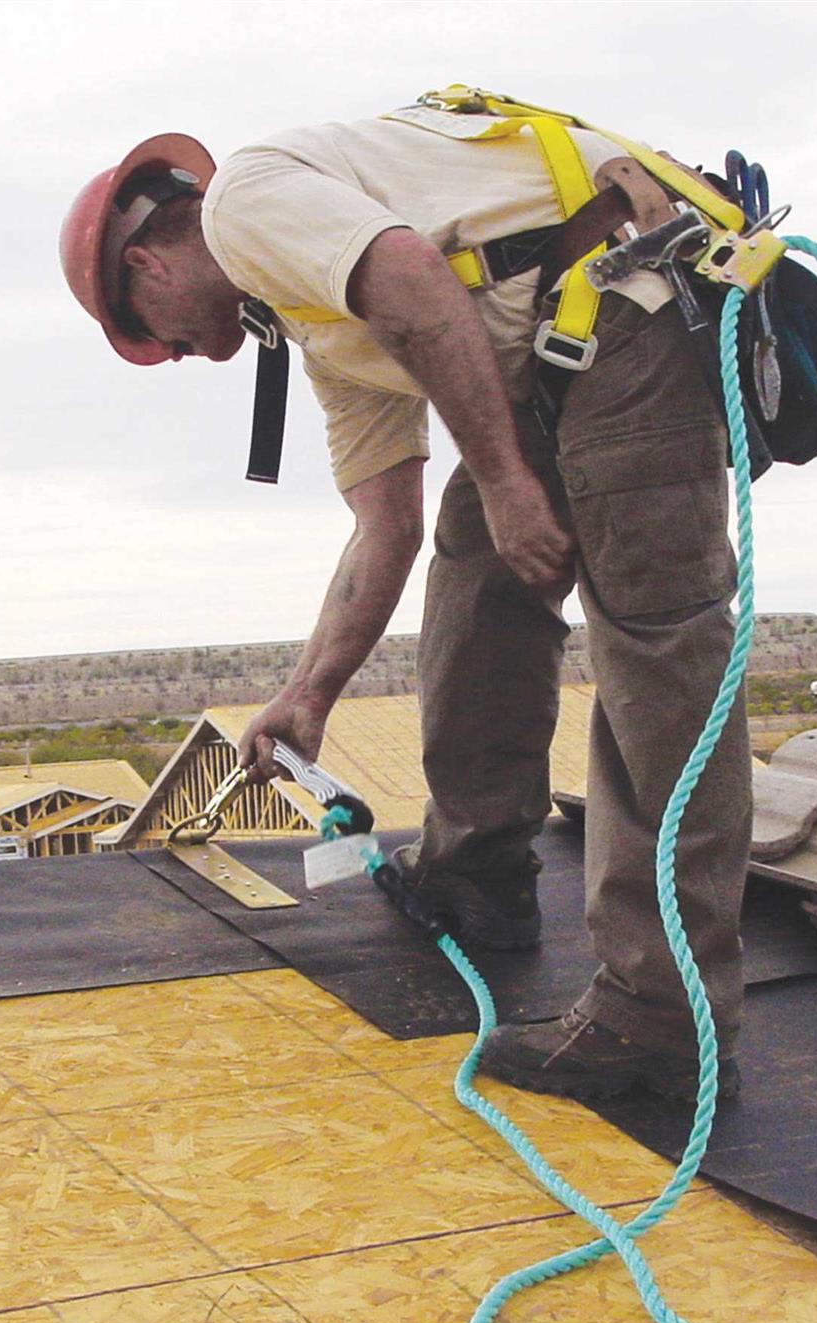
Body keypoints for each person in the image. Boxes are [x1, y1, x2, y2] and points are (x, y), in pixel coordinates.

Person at [61, 99, 751, 1103]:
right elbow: (384, 528)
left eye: (149, 337)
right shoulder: (324, 325)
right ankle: (477, 874)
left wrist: (510, 481)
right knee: (476, 566)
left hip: (633, 302)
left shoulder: (245, 200)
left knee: (656, 650)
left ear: (146, 267)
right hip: (562, 348)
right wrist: (309, 694)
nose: (175, 355)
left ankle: (661, 1016)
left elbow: (415, 279)